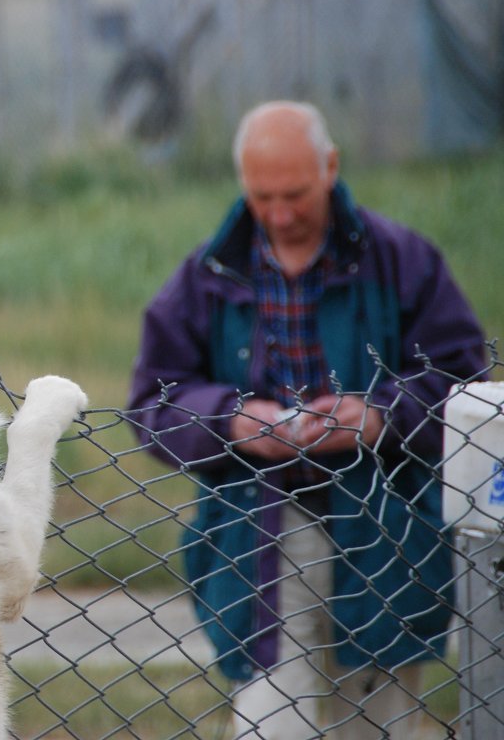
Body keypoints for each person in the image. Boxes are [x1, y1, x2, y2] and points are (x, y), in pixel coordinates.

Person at [127, 101, 485, 739]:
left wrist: (379, 418)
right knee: (270, 727)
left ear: (332, 168)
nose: (281, 213)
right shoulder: (206, 275)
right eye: (263, 196)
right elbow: (151, 403)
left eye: (295, 193)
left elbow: (466, 386)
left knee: (381, 725)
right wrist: (231, 422)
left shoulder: (404, 260)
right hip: (255, 535)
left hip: (385, 531)